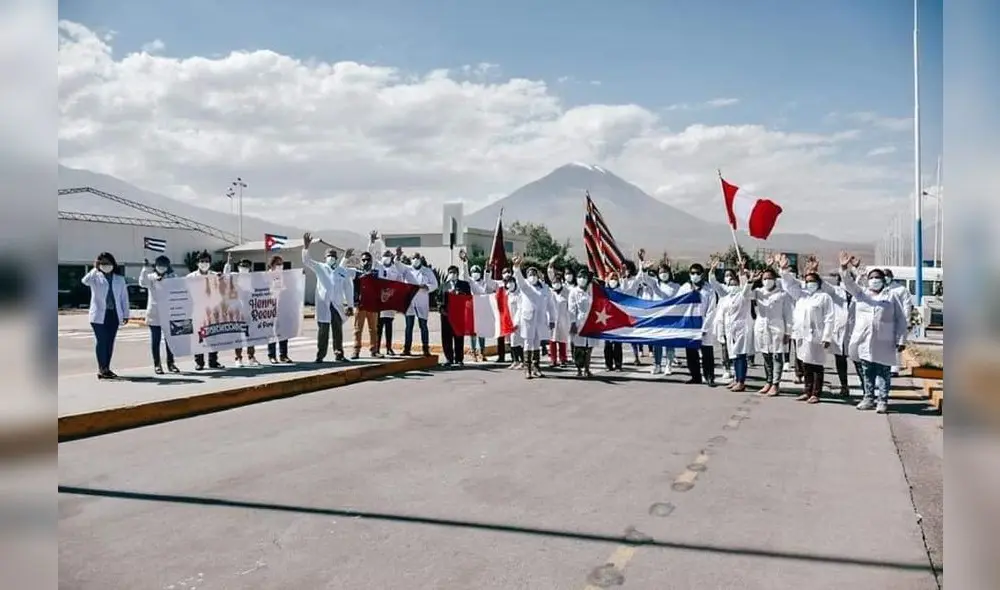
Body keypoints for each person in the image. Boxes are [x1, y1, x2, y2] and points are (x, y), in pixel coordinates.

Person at [840, 254, 908, 413]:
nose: (875, 280)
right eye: (872, 277)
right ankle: (868, 397)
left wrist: (901, 339)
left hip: (884, 340)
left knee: (884, 372)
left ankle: (882, 400)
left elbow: (901, 319)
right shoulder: (861, 294)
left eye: (878, 277)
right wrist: (844, 268)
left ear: (884, 280)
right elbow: (848, 283)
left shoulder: (891, 296)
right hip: (864, 339)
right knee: (867, 371)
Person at [778, 254, 835, 404]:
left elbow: (830, 317)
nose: (810, 283)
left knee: (816, 365)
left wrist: (827, 337)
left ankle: (816, 393)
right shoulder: (801, 295)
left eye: (813, 281)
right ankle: (807, 391)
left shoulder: (824, 297)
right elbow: (789, 285)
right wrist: (783, 270)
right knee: (805, 364)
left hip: (817, 336)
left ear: (818, 282)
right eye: (807, 281)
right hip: (801, 336)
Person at [301, 233, 354, 362]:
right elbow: (307, 261)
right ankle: (320, 355)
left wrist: (350, 305)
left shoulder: (342, 271)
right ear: (325, 258)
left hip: (336, 305)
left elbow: (348, 288)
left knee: (337, 331)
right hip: (324, 305)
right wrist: (306, 247)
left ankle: (339, 353)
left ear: (336, 258)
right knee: (323, 331)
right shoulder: (320, 267)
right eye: (329, 256)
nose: (331, 257)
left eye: (333, 256)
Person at [82, 252, 130, 379]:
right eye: (102, 263)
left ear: (113, 264)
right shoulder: (95, 278)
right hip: (98, 315)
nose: (105, 265)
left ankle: (107, 368)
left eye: (108, 263)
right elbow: (84, 281)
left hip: (113, 314)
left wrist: (126, 314)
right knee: (102, 341)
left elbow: (124, 298)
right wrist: (95, 268)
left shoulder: (119, 279)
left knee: (109, 342)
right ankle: (101, 368)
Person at [710, 262, 754, 392]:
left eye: (735, 283)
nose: (732, 285)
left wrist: (746, 276)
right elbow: (715, 284)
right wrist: (712, 270)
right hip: (730, 330)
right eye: (730, 284)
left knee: (740, 355)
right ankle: (736, 379)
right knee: (733, 355)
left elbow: (746, 286)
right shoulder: (727, 298)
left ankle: (741, 381)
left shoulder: (743, 295)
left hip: (740, 329)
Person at [510, 256, 556, 378]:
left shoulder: (545, 288)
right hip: (528, 320)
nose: (532, 276)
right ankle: (527, 368)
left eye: (534, 273)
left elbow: (550, 305)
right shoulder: (525, 287)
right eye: (530, 274)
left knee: (537, 343)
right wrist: (516, 267)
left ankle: (536, 367)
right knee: (528, 342)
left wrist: (552, 319)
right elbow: (519, 279)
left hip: (540, 320)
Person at [342, 231, 385, 359]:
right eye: (364, 260)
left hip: (372, 305)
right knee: (357, 330)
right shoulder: (356, 272)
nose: (366, 261)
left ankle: (374, 350)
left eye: (368, 260)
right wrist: (345, 258)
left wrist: (371, 243)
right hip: (360, 305)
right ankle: (356, 351)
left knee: (373, 330)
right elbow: (342, 270)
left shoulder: (376, 272)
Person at [750, 265, 791, 396]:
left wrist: (788, 332)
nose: (767, 280)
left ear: (775, 279)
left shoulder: (782, 294)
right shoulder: (758, 292)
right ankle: (768, 381)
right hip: (761, 328)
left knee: (777, 356)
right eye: (765, 278)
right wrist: (751, 281)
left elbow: (788, 314)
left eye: (770, 278)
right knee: (766, 356)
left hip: (777, 328)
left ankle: (775, 384)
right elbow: (745, 295)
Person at [677, 262, 719, 386]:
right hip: (690, 324)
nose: (695, 275)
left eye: (697, 273)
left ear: (702, 274)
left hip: (704, 324)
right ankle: (695, 376)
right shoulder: (684, 288)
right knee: (691, 352)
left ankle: (709, 377)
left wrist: (705, 327)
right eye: (692, 273)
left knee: (707, 352)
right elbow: (676, 304)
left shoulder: (709, 289)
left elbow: (712, 309)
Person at [138, 255, 179, 374]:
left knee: (170, 341)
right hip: (154, 314)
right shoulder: (151, 277)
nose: (161, 267)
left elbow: (180, 287)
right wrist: (145, 268)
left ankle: (171, 363)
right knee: (155, 340)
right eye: (159, 264)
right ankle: (157, 364)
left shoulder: (172, 277)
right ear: (155, 266)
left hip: (169, 313)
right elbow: (142, 282)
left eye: (164, 264)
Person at [187, 251, 225, 370]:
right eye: (202, 261)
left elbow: (223, 289)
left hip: (212, 310)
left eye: (207, 261)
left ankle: (213, 361)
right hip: (197, 310)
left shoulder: (215, 275)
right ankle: (199, 362)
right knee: (199, 337)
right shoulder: (191, 277)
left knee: (213, 335)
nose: (204, 263)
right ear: (197, 263)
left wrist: (222, 279)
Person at [225, 258, 260, 367]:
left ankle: (251, 357)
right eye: (242, 265)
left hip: (249, 311)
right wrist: (227, 265)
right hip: (237, 312)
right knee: (238, 337)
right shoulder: (235, 276)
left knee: (251, 336)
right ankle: (238, 358)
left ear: (250, 268)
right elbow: (225, 276)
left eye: (246, 265)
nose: (243, 267)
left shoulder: (253, 279)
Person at [400, 252, 437, 357]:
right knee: (409, 326)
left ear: (420, 259)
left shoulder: (427, 271)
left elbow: (435, 284)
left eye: (417, 257)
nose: (415, 259)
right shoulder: (407, 269)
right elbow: (397, 264)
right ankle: (407, 349)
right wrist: (397, 257)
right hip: (410, 302)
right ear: (410, 259)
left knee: (423, 326)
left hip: (422, 301)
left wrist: (426, 287)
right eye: (413, 258)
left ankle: (425, 348)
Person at [439, 263, 472, 367]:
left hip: (459, 314)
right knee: (446, 337)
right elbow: (438, 299)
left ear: (457, 274)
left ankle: (459, 359)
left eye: (454, 273)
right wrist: (441, 309)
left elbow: (469, 298)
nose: (452, 274)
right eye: (450, 273)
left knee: (458, 336)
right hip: (446, 315)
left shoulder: (464, 285)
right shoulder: (444, 285)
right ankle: (449, 358)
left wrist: (460, 294)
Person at [883, 268, 913, 376]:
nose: (885, 277)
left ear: (892, 276)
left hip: (897, 320)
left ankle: (894, 369)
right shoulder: (881, 288)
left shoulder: (901, 289)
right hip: (883, 321)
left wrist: (907, 321)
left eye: (887, 275)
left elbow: (907, 306)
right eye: (884, 275)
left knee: (896, 345)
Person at [568, 268, 597, 377]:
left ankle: (587, 369)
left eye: (584, 277)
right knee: (579, 347)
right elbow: (571, 309)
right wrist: (573, 323)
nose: (582, 279)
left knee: (589, 347)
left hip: (591, 321)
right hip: (579, 322)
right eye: (580, 277)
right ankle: (579, 369)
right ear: (576, 278)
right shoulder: (574, 292)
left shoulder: (592, 290)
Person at [265, 255, 293, 364]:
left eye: (282, 264)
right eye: (278, 264)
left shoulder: (284, 277)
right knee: (271, 333)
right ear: (272, 265)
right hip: (269, 308)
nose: (280, 266)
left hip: (282, 307)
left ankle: (283, 355)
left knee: (283, 332)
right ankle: (272, 355)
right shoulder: (265, 276)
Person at [601, 271, 625, 371]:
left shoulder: (621, 290)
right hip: (606, 319)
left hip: (618, 319)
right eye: (611, 278)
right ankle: (608, 364)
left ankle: (618, 365)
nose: (613, 280)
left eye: (615, 278)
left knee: (618, 343)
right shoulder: (603, 291)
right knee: (608, 344)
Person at [547, 270, 571, 367]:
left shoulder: (567, 292)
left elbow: (570, 306)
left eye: (557, 282)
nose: (556, 284)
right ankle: (553, 360)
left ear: (561, 282)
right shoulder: (550, 293)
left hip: (563, 320)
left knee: (562, 340)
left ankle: (563, 359)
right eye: (554, 282)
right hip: (552, 320)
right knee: (552, 341)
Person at [505, 274, 525, 369]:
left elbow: (520, 309)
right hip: (509, 322)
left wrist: (516, 322)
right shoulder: (507, 294)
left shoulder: (519, 294)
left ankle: (522, 361)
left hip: (517, 322)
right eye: (508, 282)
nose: (510, 284)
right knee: (512, 342)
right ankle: (515, 360)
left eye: (511, 282)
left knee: (519, 342)